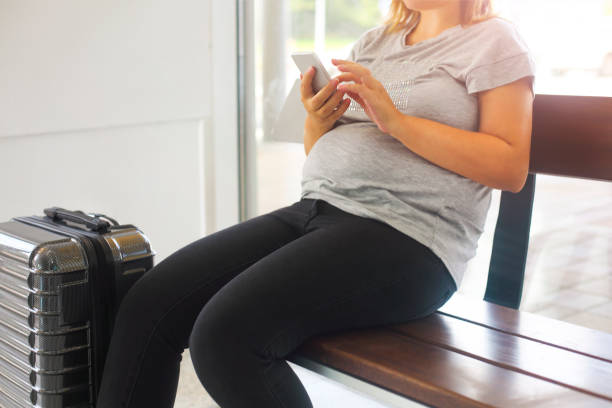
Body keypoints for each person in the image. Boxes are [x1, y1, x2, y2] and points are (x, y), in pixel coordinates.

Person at [96, 0, 535, 407]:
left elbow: (510, 166)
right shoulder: (375, 42)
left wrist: (397, 122)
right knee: (148, 305)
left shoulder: (493, 40)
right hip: (315, 211)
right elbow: (322, 149)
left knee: (225, 336)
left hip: (409, 240)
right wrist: (318, 119)